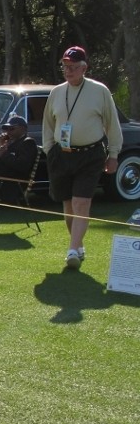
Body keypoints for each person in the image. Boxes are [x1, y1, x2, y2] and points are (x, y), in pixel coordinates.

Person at [42, 45, 123, 270]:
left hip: (91, 154)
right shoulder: (57, 92)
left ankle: (71, 250)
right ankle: (78, 245)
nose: (68, 71)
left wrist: (113, 154)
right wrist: (50, 149)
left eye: (73, 67)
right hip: (62, 155)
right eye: (65, 67)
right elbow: (48, 124)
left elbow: (112, 124)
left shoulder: (100, 91)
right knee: (68, 207)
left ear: (84, 68)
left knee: (81, 202)